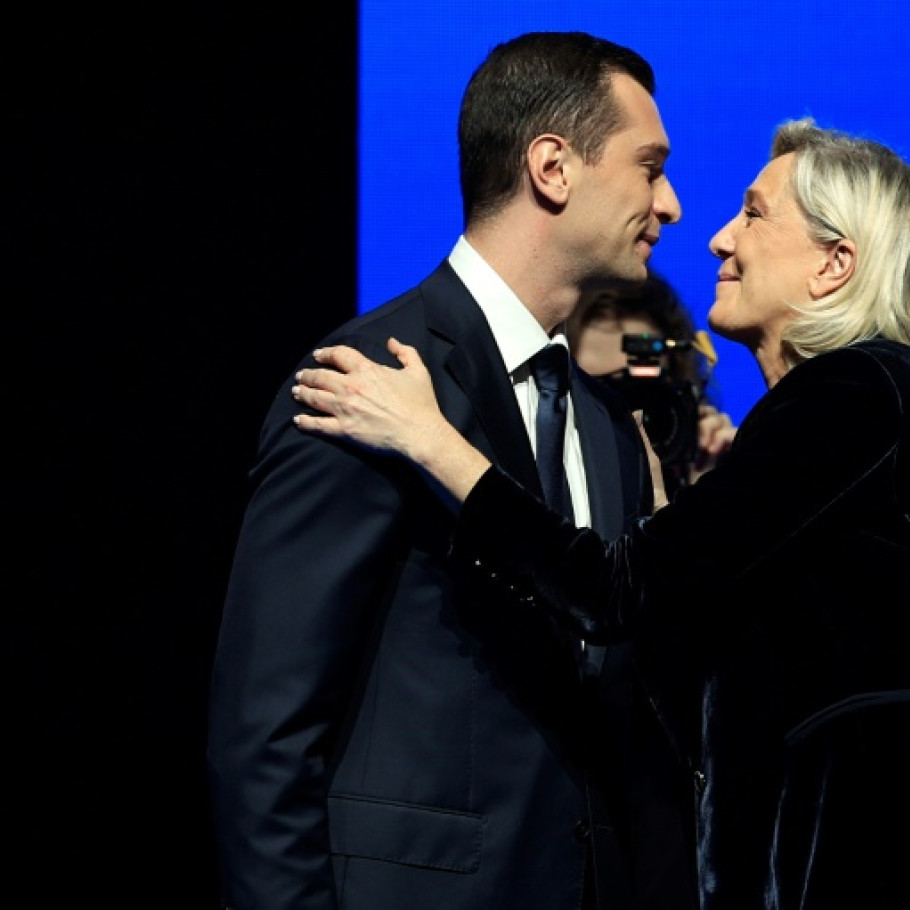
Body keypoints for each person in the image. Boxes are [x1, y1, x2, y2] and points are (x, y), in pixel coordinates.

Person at [290, 117, 910, 909]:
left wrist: (432, 440)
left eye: (753, 213)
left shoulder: (860, 394)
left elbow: (616, 593)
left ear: (834, 266)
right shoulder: (834, 418)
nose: (719, 238)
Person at [207, 31, 697, 910]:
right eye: (649, 166)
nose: (672, 205)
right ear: (553, 166)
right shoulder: (362, 383)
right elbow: (265, 733)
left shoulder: (606, 417)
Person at [567, 269, 737, 498]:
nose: (635, 418)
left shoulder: (708, 471)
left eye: (647, 395)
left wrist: (709, 499)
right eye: (604, 392)